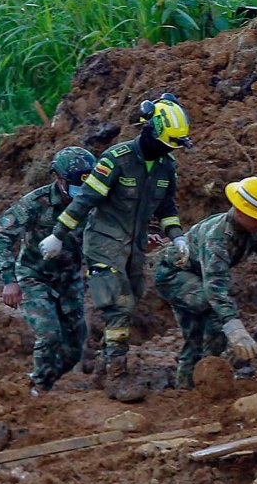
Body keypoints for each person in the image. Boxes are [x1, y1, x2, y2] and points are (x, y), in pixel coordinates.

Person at [41, 95, 191, 398]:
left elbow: (167, 208)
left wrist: (177, 236)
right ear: (151, 131)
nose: (170, 149)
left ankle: (99, 359)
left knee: (130, 302)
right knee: (119, 305)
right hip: (103, 243)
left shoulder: (166, 167)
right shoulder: (116, 159)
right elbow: (85, 201)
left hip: (134, 248)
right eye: (167, 143)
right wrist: (58, 234)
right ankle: (116, 375)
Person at [154, 176, 257, 389]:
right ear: (241, 211)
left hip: (202, 277)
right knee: (209, 317)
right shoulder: (217, 238)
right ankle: (189, 388)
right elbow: (215, 286)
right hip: (175, 274)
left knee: (212, 323)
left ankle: (209, 376)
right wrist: (233, 325)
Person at [0, 146, 95, 392]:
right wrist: (9, 280)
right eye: (73, 185)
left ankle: (41, 381)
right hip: (33, 276)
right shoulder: (36, 203)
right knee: (49, 335)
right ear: (58, 179)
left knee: (74, 348)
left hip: (69, 280)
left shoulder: (92, 202)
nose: (79, 193)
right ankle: (37, 390)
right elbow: (1, 237)